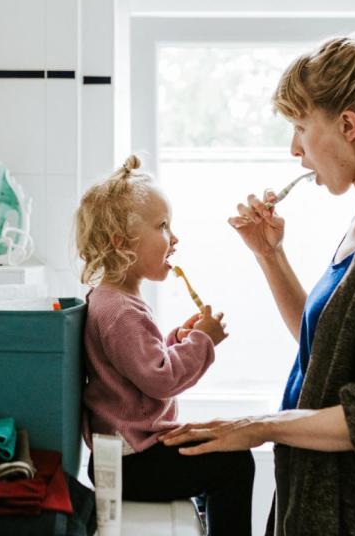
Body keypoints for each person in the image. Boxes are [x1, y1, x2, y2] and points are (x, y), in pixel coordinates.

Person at [160, 16, 355, 535]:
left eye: (301, 128)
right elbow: (328, 354)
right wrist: (270, 256)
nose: (294, 151)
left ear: (349, 125)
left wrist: (257, 427)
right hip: (319, 500)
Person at [74, 155, 256, 536]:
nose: (174, 238)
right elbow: (159, 379)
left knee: (217, 448)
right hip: (133, 462)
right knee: (235, 462)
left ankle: (208, 519)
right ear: (121, 243)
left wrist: (177, 339)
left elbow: (137, 363)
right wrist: (203, 341)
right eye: (162, 226)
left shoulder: (111, 300)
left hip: (125, 457)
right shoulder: (121, 310)